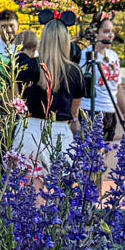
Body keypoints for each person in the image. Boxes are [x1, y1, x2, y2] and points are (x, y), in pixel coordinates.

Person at [12, 16, 88, 163]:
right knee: (61, 182)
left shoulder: (28, 66)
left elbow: (16, 97)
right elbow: (74, 112)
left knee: (26, 183)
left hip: (29, 130)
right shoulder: (74, 72)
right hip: (59, 132)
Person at [83, 13, 124, 142]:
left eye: (112, 32)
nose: (111, 35)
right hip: (91, 110)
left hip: (110, 111)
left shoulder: (113, 56)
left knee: (104, 153)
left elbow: (117, 86)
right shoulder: (85, 55)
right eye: (106, 32)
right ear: (96, 34)